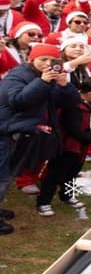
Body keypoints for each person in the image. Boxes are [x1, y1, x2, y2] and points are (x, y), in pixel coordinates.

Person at [0, 42, 75, 229]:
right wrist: (42, 82)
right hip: (5, 132)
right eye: (43, 59)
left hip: (21, 132)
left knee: (7, 174)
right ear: (32, 59)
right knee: (1, 176)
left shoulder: (48, 78)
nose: (47, 63)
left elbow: (70, 102)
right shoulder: (17, 76)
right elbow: (19, 101)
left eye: (52, 60)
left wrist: (65, 86)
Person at [36, 76, 91, 216]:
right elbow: (72, 128)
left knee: (73, 173)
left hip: (81, 148)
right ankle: (44, 202)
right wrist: (90, 140)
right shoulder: (73, 105)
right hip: (67, 146)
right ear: (90, 94)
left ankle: (67, 195)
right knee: (55, 175)